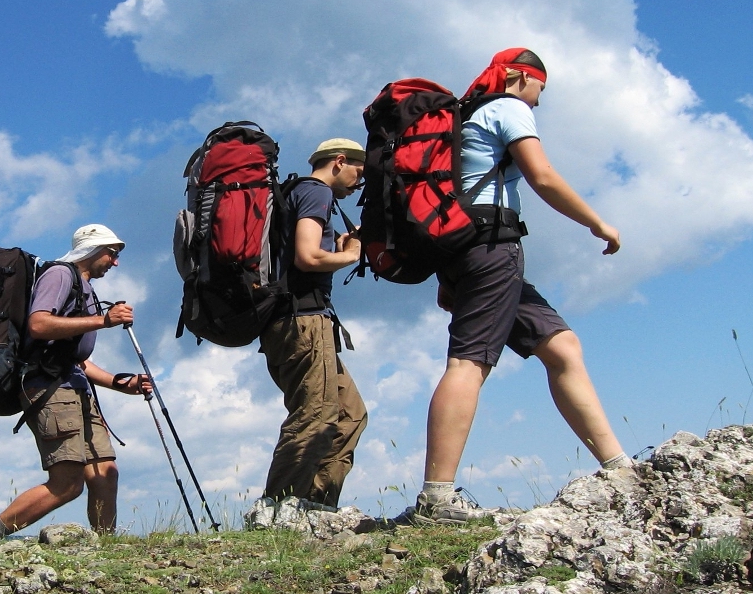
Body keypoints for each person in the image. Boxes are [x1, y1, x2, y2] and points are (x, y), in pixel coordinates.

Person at [412, 48, 631, 524]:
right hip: (493, 247)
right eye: (540, 89)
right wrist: (598, 224)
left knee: (562, 346)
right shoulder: (507, 107)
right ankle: (436, 497)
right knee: (469, 362)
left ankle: (619, 470)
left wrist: (448, 274)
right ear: (519, 77)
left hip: (467, 251)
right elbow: (543, 176)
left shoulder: (462, 118)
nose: (540, 101)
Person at [0, 224, 151, 540]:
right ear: (92, 249)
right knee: (67, 484)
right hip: (50, 388)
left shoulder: (83, 286)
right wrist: (105, 320)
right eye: (112, 254)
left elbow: (77, 360)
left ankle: (106, 548)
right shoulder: (60, 275)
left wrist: (120, 382)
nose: (115, 263)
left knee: (105, 473)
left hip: (74, 386)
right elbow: (39, 324)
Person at [257, 138, 369, 508]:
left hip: (290, 320)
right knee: (316, 414)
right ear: (339, 161)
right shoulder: (316, 192)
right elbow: (307, 257)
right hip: (303, 320)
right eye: (358, 171)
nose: (359, 181)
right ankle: (277, 509)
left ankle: (315, 505)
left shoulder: (294, 193)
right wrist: (351, 255)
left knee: (350, 413)